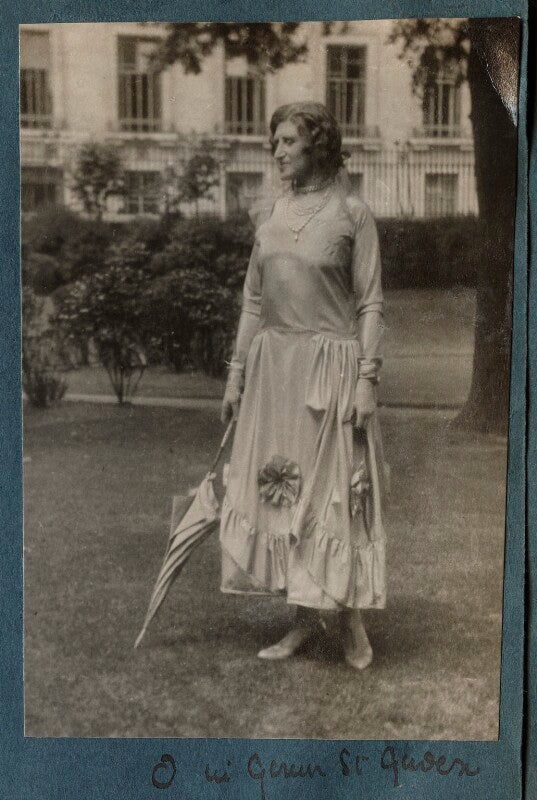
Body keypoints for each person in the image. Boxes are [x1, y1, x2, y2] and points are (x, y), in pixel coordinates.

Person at [219, 102, 386, 669]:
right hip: (275, 373)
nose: (278, 151)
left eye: (289, 140)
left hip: (333, 372)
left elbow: (369, 304)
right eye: (275, 142)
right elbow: (253, 301)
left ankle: (352, 623)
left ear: (318, 144)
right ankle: (301, 619)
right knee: (285, 495)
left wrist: (367, 380)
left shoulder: (353, 214)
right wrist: (236, 376)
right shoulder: (268, 216)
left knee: (337, 496)